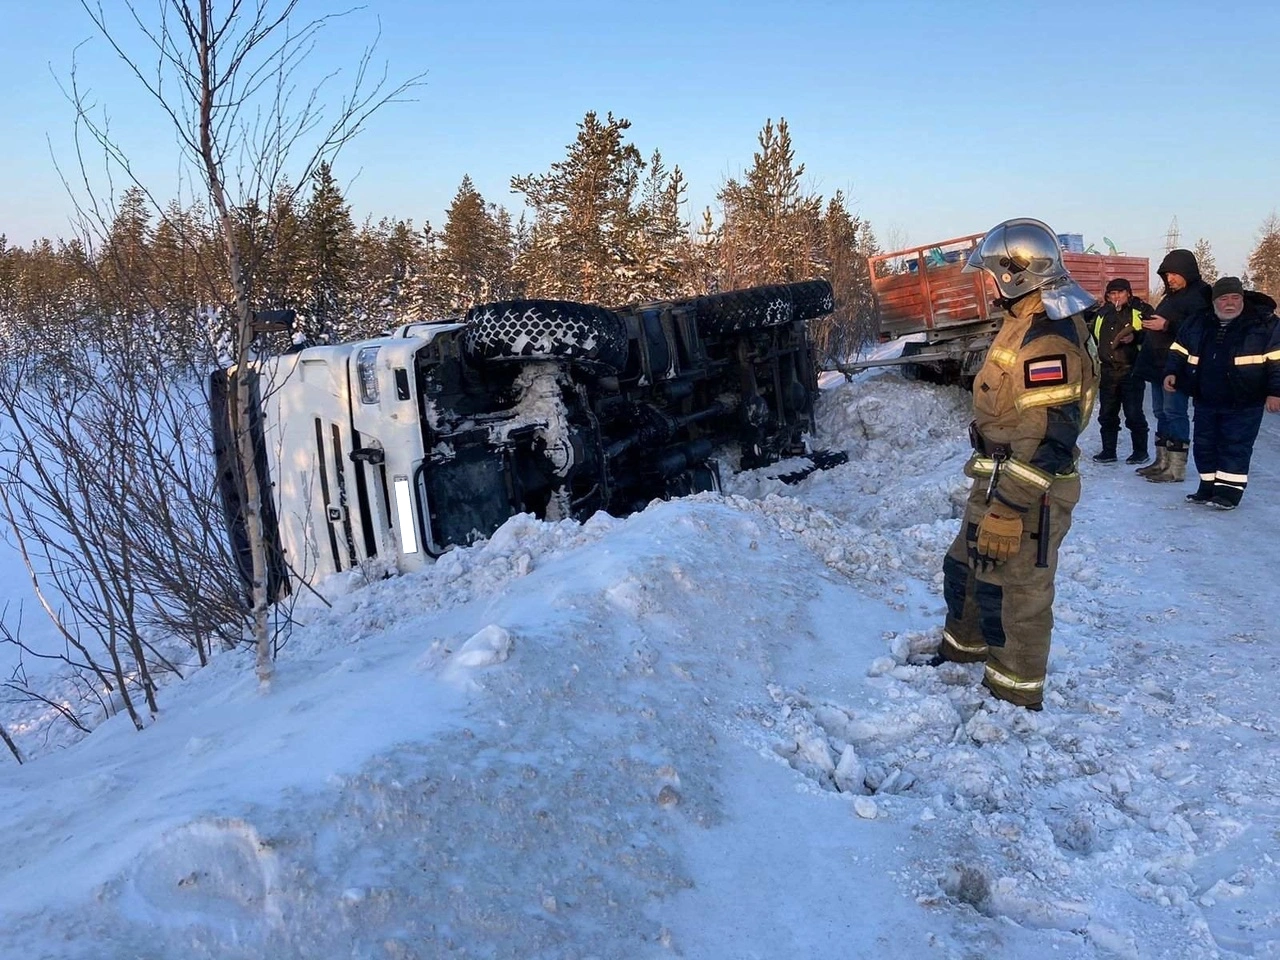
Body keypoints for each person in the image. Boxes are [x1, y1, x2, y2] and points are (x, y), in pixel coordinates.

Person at [935, 218, 1097, 710]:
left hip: (1029, 491)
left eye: (992, 274)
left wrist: (1010, 506)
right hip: (995, 478)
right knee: (966, 568)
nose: (989, 283)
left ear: (1017, 271)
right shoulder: (1023, 318)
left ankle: (1014, 694)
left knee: (1017, 592)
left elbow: (1048, 435)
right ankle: (963, 654)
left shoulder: (1048, 337)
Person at [1163, 276, 1280, 509]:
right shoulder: (1199, 322)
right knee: (1205, 444)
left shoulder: (1264, 324)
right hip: (1206, 398)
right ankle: (1207, 488)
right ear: (1215, 301)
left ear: (1242, 298)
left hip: (1245, 400)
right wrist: (1172, 371)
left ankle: (1228, 494)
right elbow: (1178, 349)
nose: (1230, 303)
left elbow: (1277, 361)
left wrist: (1275, 391)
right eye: (1224, 298)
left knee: (1234, 445)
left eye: (1235, 297)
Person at [1133, 249, 1212, 483]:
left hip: (1177, 366)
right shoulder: (1171, 296)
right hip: (1158, 364)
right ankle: (1162, 461)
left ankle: (1176, 468)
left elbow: (1200, 330)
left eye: (1174, 274)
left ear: (1187, 271)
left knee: (1175, 412)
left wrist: (1167, 324)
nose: (1170, 279)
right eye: (1166, 275)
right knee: (1160, 412)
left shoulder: (1200, 295)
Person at [1090, 278, 1151, 464]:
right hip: (1108, 371)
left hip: (1131, 371)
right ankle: (1109, 451)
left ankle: (1140, 452)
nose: (1116, 297)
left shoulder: (1140, 311)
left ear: (1128, 293)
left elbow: (1154, 336)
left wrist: (1136, 337)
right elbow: (1093, 337)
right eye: (1112, 294)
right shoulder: (1102, 313)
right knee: (1107, 414)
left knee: (1133, 414)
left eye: (1120, 293)